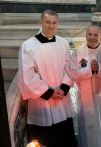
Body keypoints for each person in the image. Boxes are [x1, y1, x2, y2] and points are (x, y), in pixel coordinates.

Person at [18, 10, 76, 147]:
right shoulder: (28, 46)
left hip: (62, 99)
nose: (51, 26)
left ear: (57, 23)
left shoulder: (63, 43)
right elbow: (27, 76)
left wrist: (64, 87)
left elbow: (69, 67)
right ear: (41, 22)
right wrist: (49, 92)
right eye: (48, 22)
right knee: (44, 141)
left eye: (54, 22)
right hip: (41, 101)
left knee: (64, 139)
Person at [70, 25, 101, 147]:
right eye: (90, 35)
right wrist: (89, 69)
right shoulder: (77, 54)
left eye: (96, 35)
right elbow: (73, 73)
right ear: (86, 36)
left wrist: (99, 69)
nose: (92, 38)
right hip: (84, 97)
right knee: (86, 128)